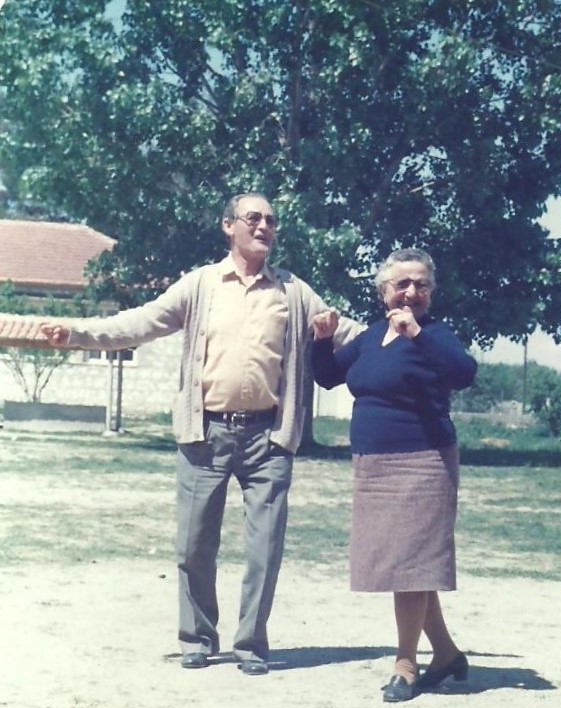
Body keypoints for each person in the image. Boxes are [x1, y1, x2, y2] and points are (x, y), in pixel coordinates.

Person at [41, 192, 360, 674]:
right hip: (205, 433)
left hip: (269, 439)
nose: (264, 226)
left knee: (265, 549)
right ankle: (197, 637)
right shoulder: (200, 285)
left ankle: (251, 645)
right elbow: (139, 322)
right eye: (254, 218)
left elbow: (346, 332)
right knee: (193, 545)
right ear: (228, 225)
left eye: (271, 220)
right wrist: (77, 334)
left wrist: (403, 338)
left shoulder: (293, 291)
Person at [311, 248, 477, 703]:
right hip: (374, 467)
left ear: (431, 294)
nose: (411, 292)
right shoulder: (370, 336)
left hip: (424, 463)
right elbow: (328, 376)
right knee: (407, 567)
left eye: (421, 285)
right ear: (383, 291)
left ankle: (406, 664)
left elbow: (464, 373)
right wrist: (321, 340)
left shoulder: (436, 335)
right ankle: (447, 654)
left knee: (411, 566)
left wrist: (417, 334)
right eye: (402, 283)